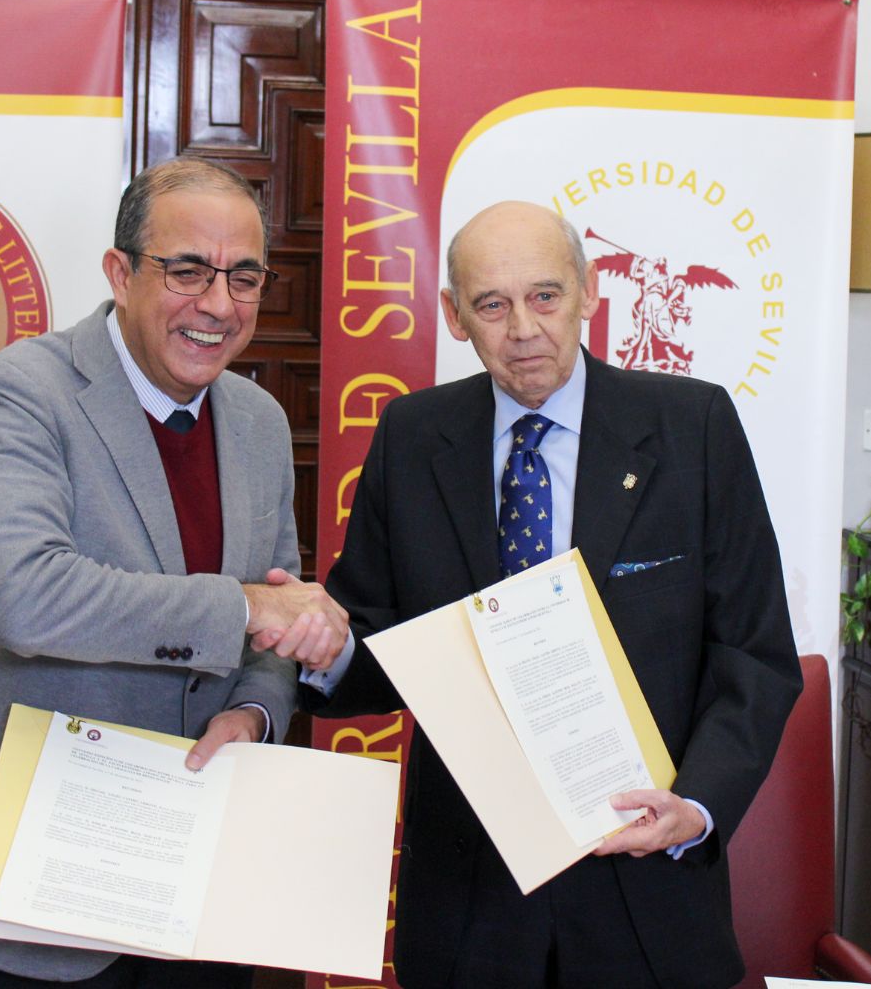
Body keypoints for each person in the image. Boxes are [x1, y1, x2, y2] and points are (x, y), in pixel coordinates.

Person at [300, 201, 801, 989]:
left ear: (590, 292)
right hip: (468, 899)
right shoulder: (411, 434)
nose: (523, 328)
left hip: (645, 881)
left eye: (545, 296)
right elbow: (376, 643)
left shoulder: (692, 428)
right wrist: (327, 651)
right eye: (492, 305)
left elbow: (754, 655)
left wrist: (696, 807)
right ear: (454, 317)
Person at [0, 157, 348, 988]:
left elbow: (274, 616)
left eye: (242, 277)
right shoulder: (24, 391)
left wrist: (253, 711)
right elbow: (27, 599)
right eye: (187, 271)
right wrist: (238, 608)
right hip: (44, 863)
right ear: (121, 273)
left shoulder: (260, 421)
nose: (218, 304)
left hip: (204, 864)